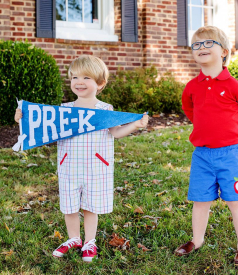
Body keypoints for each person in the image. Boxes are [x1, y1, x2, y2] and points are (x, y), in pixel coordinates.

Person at [15, 55, 148, 263]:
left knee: (90, 206)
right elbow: (41, 126)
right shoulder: (64, 110)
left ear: (100, 83)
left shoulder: (105, 110)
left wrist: (135, 125)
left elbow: (115, 132)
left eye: (86, 77)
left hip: (96, 167)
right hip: (69, 166)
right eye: (74, 77)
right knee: (69, 205)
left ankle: (89, 241)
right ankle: (73, 239)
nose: (79, 81)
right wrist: (23, 117)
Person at [174, 26, 238, 267]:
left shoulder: (233, 85)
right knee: (200, 200)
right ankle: (197, 240)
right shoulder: (192, 86)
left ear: (223, 51)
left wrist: (235, 127)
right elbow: (189, 109)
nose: (200, 48)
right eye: (196, 45)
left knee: (235, 200)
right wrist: (203, 127)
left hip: (231, 154)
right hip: (202, 155)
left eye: (206, 43)